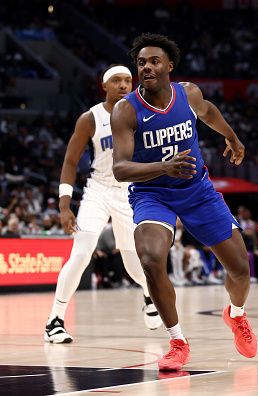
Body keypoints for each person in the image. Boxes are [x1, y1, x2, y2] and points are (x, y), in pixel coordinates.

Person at [111, 33, 256, 371]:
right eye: (142, 62)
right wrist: (163, 167)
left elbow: (208, 112)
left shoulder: (187, 93)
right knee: (149, 258)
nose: (146, 67)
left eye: (154, 61)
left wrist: (232, 138)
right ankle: (177, 341)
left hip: (197, 190)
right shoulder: (125, 110)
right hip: (152, 194)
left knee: (239, 267)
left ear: (169, 66)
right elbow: (120, 168)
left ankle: (236, 315)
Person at [44, 65, 162, 344]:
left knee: (134, 259)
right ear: (104, 86)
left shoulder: (143, 112)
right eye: (116, 81)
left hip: (129, 193)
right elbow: (71, 161)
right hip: (98, 190)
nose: (123, 85)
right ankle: (54, 321)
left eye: (127, 81)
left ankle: (149, 296)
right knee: (82, 253)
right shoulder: (91, 118)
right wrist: (64, 204)